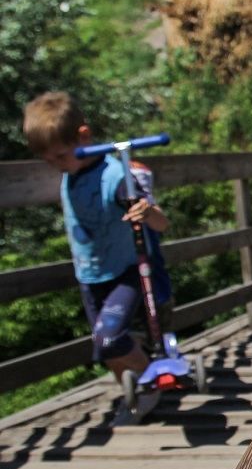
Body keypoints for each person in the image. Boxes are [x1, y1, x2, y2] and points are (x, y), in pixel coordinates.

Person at [23, 92, 171, 389]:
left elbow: (161, 224)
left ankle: (150, 381)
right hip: (90, 275)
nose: (56, 165)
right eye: (48, 160)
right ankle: (137, 397)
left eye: (61, 156)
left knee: (109, 338)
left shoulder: (115, 176)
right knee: (106, 348)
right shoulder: (71, 174)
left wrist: (146, 211)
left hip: (124, 273)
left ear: (84, 136)